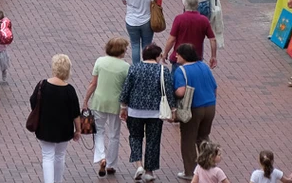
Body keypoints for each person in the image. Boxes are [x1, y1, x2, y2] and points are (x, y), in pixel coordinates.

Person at [119, 43, 172, 183]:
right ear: (156, 56)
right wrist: (173, 109)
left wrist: (123, 106)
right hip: (155, 112)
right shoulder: (163, 70)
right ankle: (149, 171)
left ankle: (139, 165)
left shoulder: (134, 68)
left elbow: (126, 89)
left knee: (135, 137)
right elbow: (168, 91)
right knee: (153, 140)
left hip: (135, 111)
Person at [31, 54, 81, 183]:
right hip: (64, 128)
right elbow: (75, 113)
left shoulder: (42, 85)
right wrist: (78, 130)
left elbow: (33, 102)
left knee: (47, 156)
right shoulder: (69, 90)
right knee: (60, 156)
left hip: (45, 126)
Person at [84, 37, 130, 177]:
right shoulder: (126, 67)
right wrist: (125, 107)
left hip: (99, 102)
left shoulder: (100, 61)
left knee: (99, 132)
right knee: (114, 135)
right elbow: (126, 89)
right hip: (116, 104)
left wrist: (85, 100)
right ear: (121, 50)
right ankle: (111, 164)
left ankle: (101, 157)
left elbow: (93, 83)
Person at [173, 44, 218, 181]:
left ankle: (191, 172)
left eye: (178, 54)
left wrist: (174, 93)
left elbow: (181, 91)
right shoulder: (204, 66)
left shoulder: (181, 70)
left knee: (188, 139)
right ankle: (209, 165)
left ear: (184, 56)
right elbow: (215, 87)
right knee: (204, 137)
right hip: (210, 106)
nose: (176, 56)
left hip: (193, 108)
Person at [165, 0, 217, 68]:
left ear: (184, 4)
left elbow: (171, 39)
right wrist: (213, 56)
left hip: (179, 57)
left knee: (177, 78)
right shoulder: (204, 20)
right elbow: (212, 39)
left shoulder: (179, 19)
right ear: (197, 4)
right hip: (196, 57)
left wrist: (165, 53)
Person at [121, 0, 158, 65]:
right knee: (147, 44)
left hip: (131, 20)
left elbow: (124, 1)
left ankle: (136, 67)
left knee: (134, 44)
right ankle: (147, 65)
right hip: (147, 20)